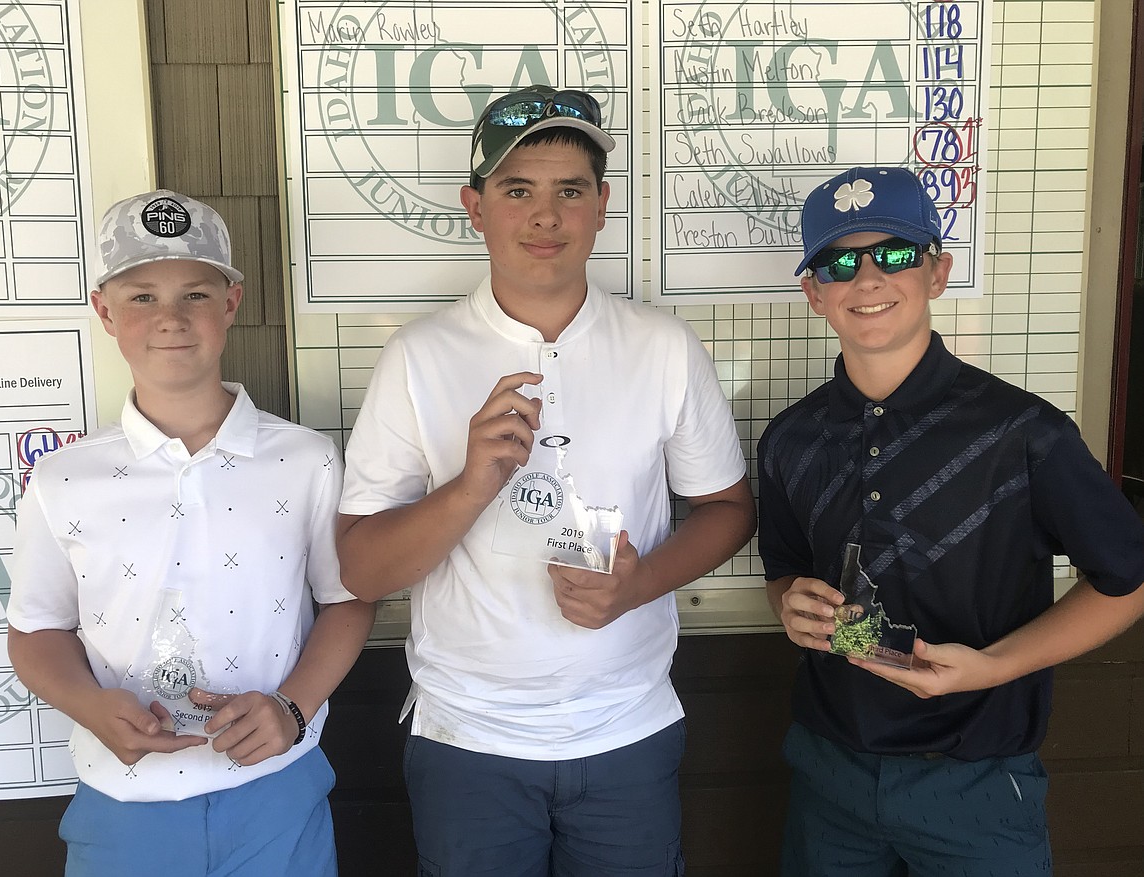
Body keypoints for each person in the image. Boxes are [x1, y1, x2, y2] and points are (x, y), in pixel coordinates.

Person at [336, 84, 756, 876]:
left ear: (601, 206)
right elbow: (360, 566)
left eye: (569, 191)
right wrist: (467, 487)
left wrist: (637, 585)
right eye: (516, 189)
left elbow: (729, 509)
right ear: (475, 205)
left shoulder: (661, 346)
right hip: (468, 737)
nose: (545, 216)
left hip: (625, 727)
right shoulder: (419, 357)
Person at [758, 165, 1144, 875]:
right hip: (829, 774)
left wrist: (992, 667)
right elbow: (783, 567)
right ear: (814, 292)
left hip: (976, 778)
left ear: (938, 271)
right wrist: (790, 602)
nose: (868, 279)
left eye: (896, 254)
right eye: (840, 262)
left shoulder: (1023, 431)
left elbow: (1126, 582)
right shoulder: (791, 437)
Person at [7, 189, 375, 877]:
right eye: (142, 296)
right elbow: (34, 630)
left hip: (276, 792)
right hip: (124, 806)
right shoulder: (62, 478)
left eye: (195, 294)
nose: (170, 318)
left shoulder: (305, 459)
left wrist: (292, 707)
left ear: (231, 302)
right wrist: (89, 704)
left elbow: (348, 601)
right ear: (103, 310)